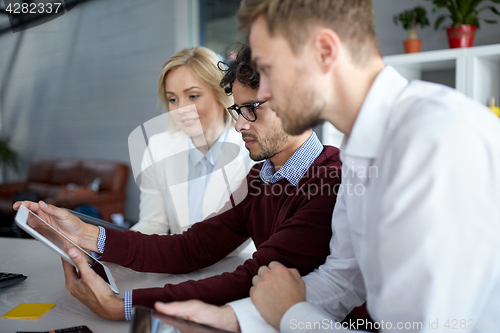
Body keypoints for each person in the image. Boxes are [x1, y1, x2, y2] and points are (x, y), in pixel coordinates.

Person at [154, 0, 500, 332]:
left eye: (270, 70)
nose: (267, 91)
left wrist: (292, 314)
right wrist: (234, 318)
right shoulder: (359, 146)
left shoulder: (436, 137)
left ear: (325, 51)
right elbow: (343, 279)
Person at [14, 44, 343, 322]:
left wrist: (125, 306)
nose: (241, 124)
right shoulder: (262, 177)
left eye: (252, 109)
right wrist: (85, 233)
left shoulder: (328, 183)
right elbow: (191, 246)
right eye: (238, 111)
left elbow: (251, 278)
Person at [130, 47, 252, 235]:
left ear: (221, 93)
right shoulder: (157, 148)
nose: (181, 109)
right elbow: (153, 224)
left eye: (193, 96)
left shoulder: (251, 150)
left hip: (239, 263)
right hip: (179, 261)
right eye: (173, 99)